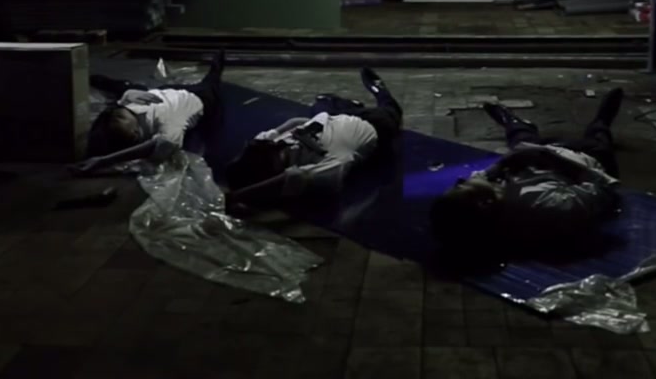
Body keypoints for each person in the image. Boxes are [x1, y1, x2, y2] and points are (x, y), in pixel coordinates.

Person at [429, 88, 625, 263]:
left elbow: (484, 175)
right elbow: (603, 186)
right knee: (599, 143)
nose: (461, 179)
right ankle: (602, 122)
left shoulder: (492, 193)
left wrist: (506, 162)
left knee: (521, 141)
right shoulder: (548, 206)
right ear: (484, 203)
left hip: (544, 158)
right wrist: (553, 159)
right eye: (460, 186)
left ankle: (513, 122)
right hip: (582, 158)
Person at [223, 68, 402, 208]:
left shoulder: (270, 145)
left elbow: (294, 122)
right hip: (374, 124)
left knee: (321, 102)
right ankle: (380, 91)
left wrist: (305, 125)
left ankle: (347, 105)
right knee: (391, 113)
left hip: (332, 116)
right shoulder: (326, 162)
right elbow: (294, 178)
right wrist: (237, 197)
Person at [69, 52, 225, 175]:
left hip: (198, 97)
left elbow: (164, 145)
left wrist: (104, 161)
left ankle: (218, 62)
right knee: (126, 89)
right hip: (163, 94)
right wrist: (125, 96)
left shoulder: (168, 120)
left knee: (211, 82)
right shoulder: (128, 107)